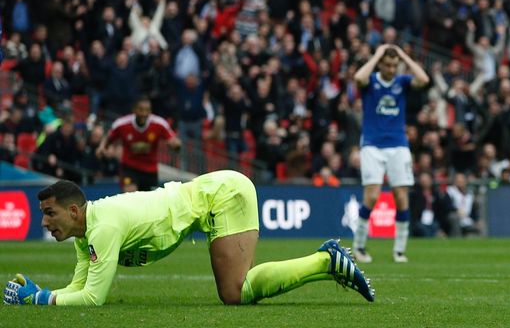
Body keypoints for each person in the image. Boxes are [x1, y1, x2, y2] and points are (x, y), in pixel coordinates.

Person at [3, 171, 374, 306]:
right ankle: (328, 264)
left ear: (73, 211)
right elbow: (79, 286)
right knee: (234, 292)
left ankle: (327, 260)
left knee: (235, 293)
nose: (45, 222)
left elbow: (93, 299)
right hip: (211, 194)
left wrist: (39, 300)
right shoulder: (89, 232)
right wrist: (45, 294)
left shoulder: (103, 227)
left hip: (223, 195)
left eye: (50, 213)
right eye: (42, 214)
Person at [352, 44, 429, 263]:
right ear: (381, 64)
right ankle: (359, 246)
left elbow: (423, 79)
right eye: (388, 64)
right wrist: (376, 55)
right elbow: (358, 77)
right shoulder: (371, 81)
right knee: (373, 195)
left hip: (398, 144)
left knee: (401, 196)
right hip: (372, 144)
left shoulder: (402, 82)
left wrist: (404, 55)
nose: (392, 68)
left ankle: (399, 250)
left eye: (395, 65)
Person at [96, 97, 182, 192]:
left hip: (150, 170)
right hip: (129, 168)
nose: (144, 114)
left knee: (149, 202)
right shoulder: (122, 124)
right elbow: (108, 137)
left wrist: (176, 144)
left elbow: (173, 140)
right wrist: (102, 147)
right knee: (131, 195)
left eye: (147, 110)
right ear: (134, 110)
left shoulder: (159, 124)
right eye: (141, 110)